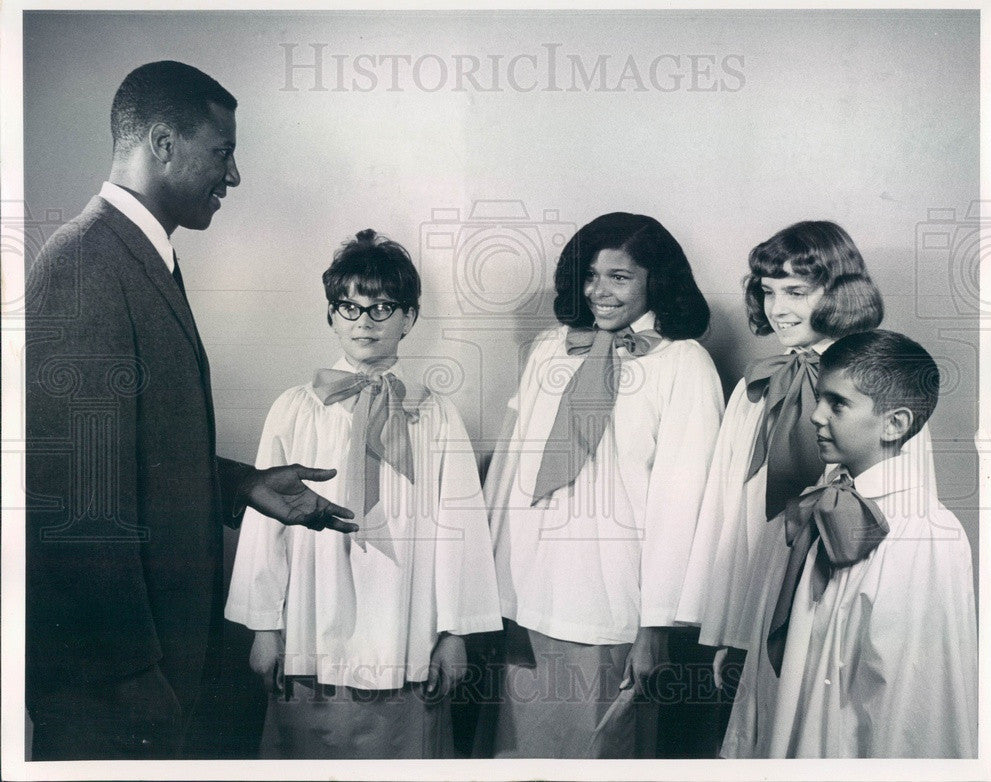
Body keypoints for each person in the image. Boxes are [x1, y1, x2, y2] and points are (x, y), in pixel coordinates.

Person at [25, 61, 356, 761]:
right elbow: (77, 502)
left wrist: (242, 484)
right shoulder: (83, 263)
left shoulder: (138, 256)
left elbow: (122, 454)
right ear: (164, 144)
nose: (232, 176)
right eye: (223, 152)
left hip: (157, 670)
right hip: (115, 689)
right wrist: (132, 679)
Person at [224, 230, 502, 759]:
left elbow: (459, 528)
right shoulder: (295, 409)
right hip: (312, 619)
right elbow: (266, 525)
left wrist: (455, 633)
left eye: (381, 308)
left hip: (406, 625)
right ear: (331, 315)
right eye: (348, 308)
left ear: (409, 318)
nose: (364, 322)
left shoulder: (435, 414)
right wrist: (265, 628)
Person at [481, 212, 724, 758]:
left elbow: (681, 504)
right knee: (521, 750)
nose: (599, 291)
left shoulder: (683, 365)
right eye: (590, 275)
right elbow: (511, 473)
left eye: (620, 276)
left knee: (599, 751)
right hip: (527, 587)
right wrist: (490, 584)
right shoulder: (551, 347)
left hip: (613, 599)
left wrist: (656, 625)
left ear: (655, 280)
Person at [722, 330, 977, 758]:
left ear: (895, 423)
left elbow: (911, 699)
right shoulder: (820, 504)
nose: (816, 415)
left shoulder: (924, 532)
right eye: (819, 398)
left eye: (837, 403)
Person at [675, 222, 884, 702]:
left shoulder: (878, 382)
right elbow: (734, 519)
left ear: (838, 293)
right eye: (768, 292)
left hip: (836, 608)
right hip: (759, 598)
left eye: (796, 291)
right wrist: (733, 629)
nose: (778, 309)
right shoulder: (757, 388)